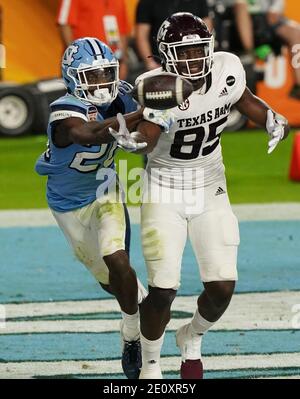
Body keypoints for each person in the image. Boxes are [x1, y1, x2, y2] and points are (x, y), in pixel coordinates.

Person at [127, 12, 289, 379]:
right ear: (167, 56)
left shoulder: (226, 66)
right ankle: (151, 362)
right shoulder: (157, 85)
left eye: (199, 50)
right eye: (183, 53)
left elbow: (243, 99)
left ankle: (192, 337)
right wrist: (134, 142)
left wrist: (268, 118)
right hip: (164, 189)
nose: (193, 59)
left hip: (210, 186)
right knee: (163, 289)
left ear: (209, 47)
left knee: (221, 287)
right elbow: (148, 136)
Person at [35, 37, 173, 379]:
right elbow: (87, 134)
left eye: (105, 74)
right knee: (110, 281)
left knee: (118, 259)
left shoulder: (123, 94)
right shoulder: (63, 109)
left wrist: (158, 104)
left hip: (104, 189)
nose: (101, 83)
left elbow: (151, 113)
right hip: (67, 204)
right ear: (72, 77)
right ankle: (131, 308)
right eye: (92, 76)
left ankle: (131, 332)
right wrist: (140, 112)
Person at [232, 0, 300, 99]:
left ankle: (298, 86)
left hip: (267, 18)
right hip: (241, 16)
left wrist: (274, 10)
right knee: (240, 4)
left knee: (296, 32)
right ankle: (250, 54)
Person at [57, 0, 130, 80]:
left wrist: (123, 61)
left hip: (111, 65)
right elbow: (64, 25)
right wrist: (76, 60)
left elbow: (123, 31)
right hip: (83, 67)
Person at [135, 0, 213, 71]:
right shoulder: (147, 2)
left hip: (198, 56)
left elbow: (207, 30)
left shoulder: (199, 1)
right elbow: (142, 36)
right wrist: (150, 63)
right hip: (162, 61)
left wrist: (205, 56)